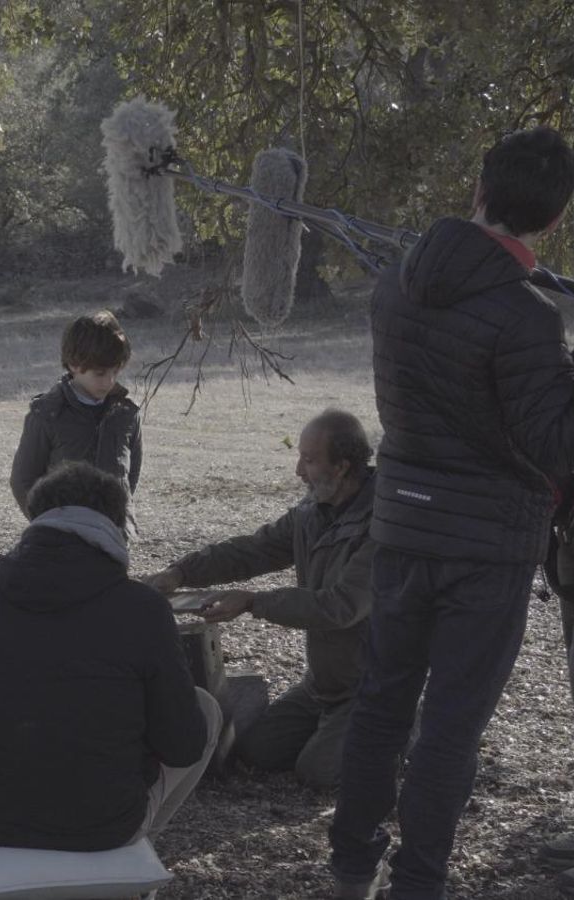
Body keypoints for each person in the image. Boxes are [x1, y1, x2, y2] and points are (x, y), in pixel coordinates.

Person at [328, 126, 574, 900]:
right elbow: (555, 444)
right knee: (449, 727)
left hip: (402, 519)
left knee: (381, 703)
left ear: (477, 189)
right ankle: (419, 884)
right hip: (488, 545)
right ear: (556, 219)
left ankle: (350, 868)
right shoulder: (530, 317)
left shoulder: (396, 281)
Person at [0, 462, 221, 851]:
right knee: (205, 708)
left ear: (37, 520)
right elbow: (183, 744)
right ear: (116, 526)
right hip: (104, 827)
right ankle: (137, 843)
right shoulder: (142, 608)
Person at [144, 409, 376, 789]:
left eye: (310, 459)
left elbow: (340, 607)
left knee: (318, 774)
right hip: (321, 686)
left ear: (342, 467)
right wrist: (181, 572)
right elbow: (254, 550)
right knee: (256, 752)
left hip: (371, 686)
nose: (299, 470)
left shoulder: (384, 526)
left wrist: (254, 603)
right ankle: (334, 730)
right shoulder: (312, 511)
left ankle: (400, 730)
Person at [8, 310, 142, 523]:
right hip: (61, 540)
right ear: (74, 365)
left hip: (114, 536)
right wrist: (46, 526)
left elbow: (130, 475)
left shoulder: (126, 413)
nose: (109, 381)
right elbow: (22, 480)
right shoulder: (47, 414)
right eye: (100, 373)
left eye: (115, 372)